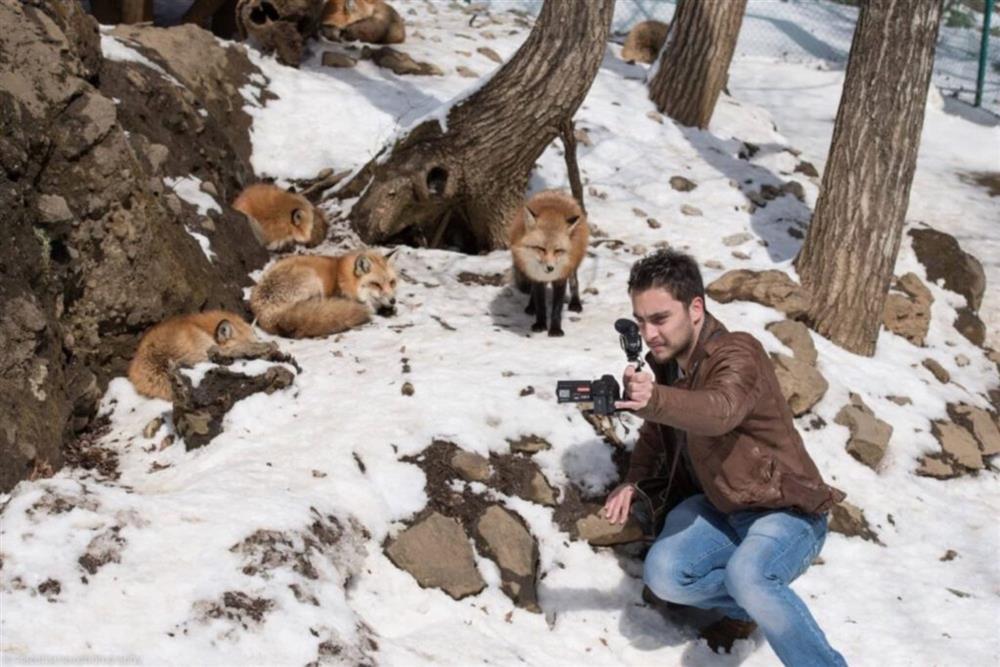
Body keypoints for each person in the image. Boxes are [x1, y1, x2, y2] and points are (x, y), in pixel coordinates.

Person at [603, 249, 848, 666]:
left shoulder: (738, 353)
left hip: (784, 509)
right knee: (664, 576)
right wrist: (634, 479)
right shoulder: (666, 365)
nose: (649, 334)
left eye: (660, 319)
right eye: (641, 321)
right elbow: (656, 432)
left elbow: (720, 410)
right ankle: (746, 609)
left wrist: (656, 399)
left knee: (750, 576)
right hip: (720, 506)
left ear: (695, 308)